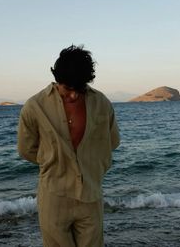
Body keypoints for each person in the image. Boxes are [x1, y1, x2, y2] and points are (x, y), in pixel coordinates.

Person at [17, 45, 120, 247]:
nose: (73, 95)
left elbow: (112, 142)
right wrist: (54, 160)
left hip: (91, 195)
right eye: (67, 89)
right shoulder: (35, 106)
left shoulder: (102, 103)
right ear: (57, 80)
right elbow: (26, 149)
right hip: (54, 195)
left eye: (79, 89)